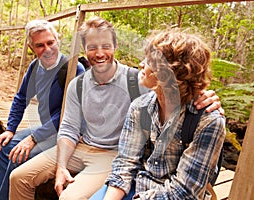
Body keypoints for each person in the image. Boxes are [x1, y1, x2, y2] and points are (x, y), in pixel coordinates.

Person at [9, 17, 223, 200]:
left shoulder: (137, 81)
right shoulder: (79, 84)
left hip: (113, 154)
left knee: (69, 197)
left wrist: (206, 97)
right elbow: (69, 128)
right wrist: (61, 167)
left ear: (115, 46)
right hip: (87, 147)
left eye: (105, 45)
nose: (99, 53)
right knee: (17, 177)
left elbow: (183, 80)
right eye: (92, 47)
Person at [93, 30, 226, 200]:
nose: (141, 64)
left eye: (149, 60)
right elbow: (125, 164)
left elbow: (184, 192)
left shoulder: (208, 121)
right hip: (137, 184)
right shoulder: (139, 107)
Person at [0, 19, 85, 200]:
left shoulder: (74, 69)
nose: (47, 49)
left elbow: (70, 114)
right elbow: (20, 98)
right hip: (46, 129)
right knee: (1, 148)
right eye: (40, 45)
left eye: (50, 42)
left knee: (17, 156)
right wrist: (10, 129)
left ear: (57, 40)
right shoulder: (35, 66)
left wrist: (34, 138)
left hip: (68, 133)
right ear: (31, 47)